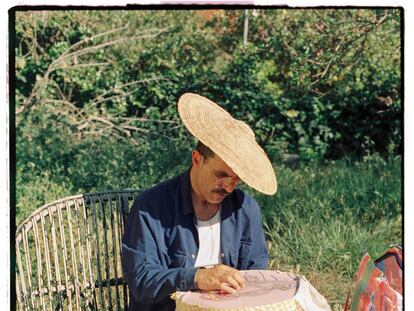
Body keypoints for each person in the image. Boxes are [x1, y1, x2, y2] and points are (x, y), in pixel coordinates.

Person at [121, 93, 277, 311]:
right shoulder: (150, 207)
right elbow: (142, 282)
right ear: (197, 159)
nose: (228, 187)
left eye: (236, 180)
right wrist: (197, 277)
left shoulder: (246, 208)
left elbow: (256, 275)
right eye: (221, 174)